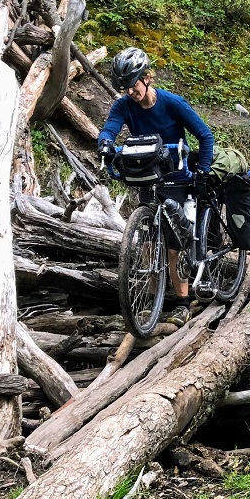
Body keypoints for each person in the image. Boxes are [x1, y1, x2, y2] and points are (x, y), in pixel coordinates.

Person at [97, 47, 214, 328]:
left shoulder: (172, 103)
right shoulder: (124, 105)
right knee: (149, 242)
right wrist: (104, 143)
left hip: (176, 176)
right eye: (124, 88)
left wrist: (203, 172)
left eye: (133, 86)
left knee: (173, 244)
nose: (130, 93)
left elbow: (205, 135)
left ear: (147, 78)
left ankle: (183, 303)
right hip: (148, 175)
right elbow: (111, 127)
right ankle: (151, 301)